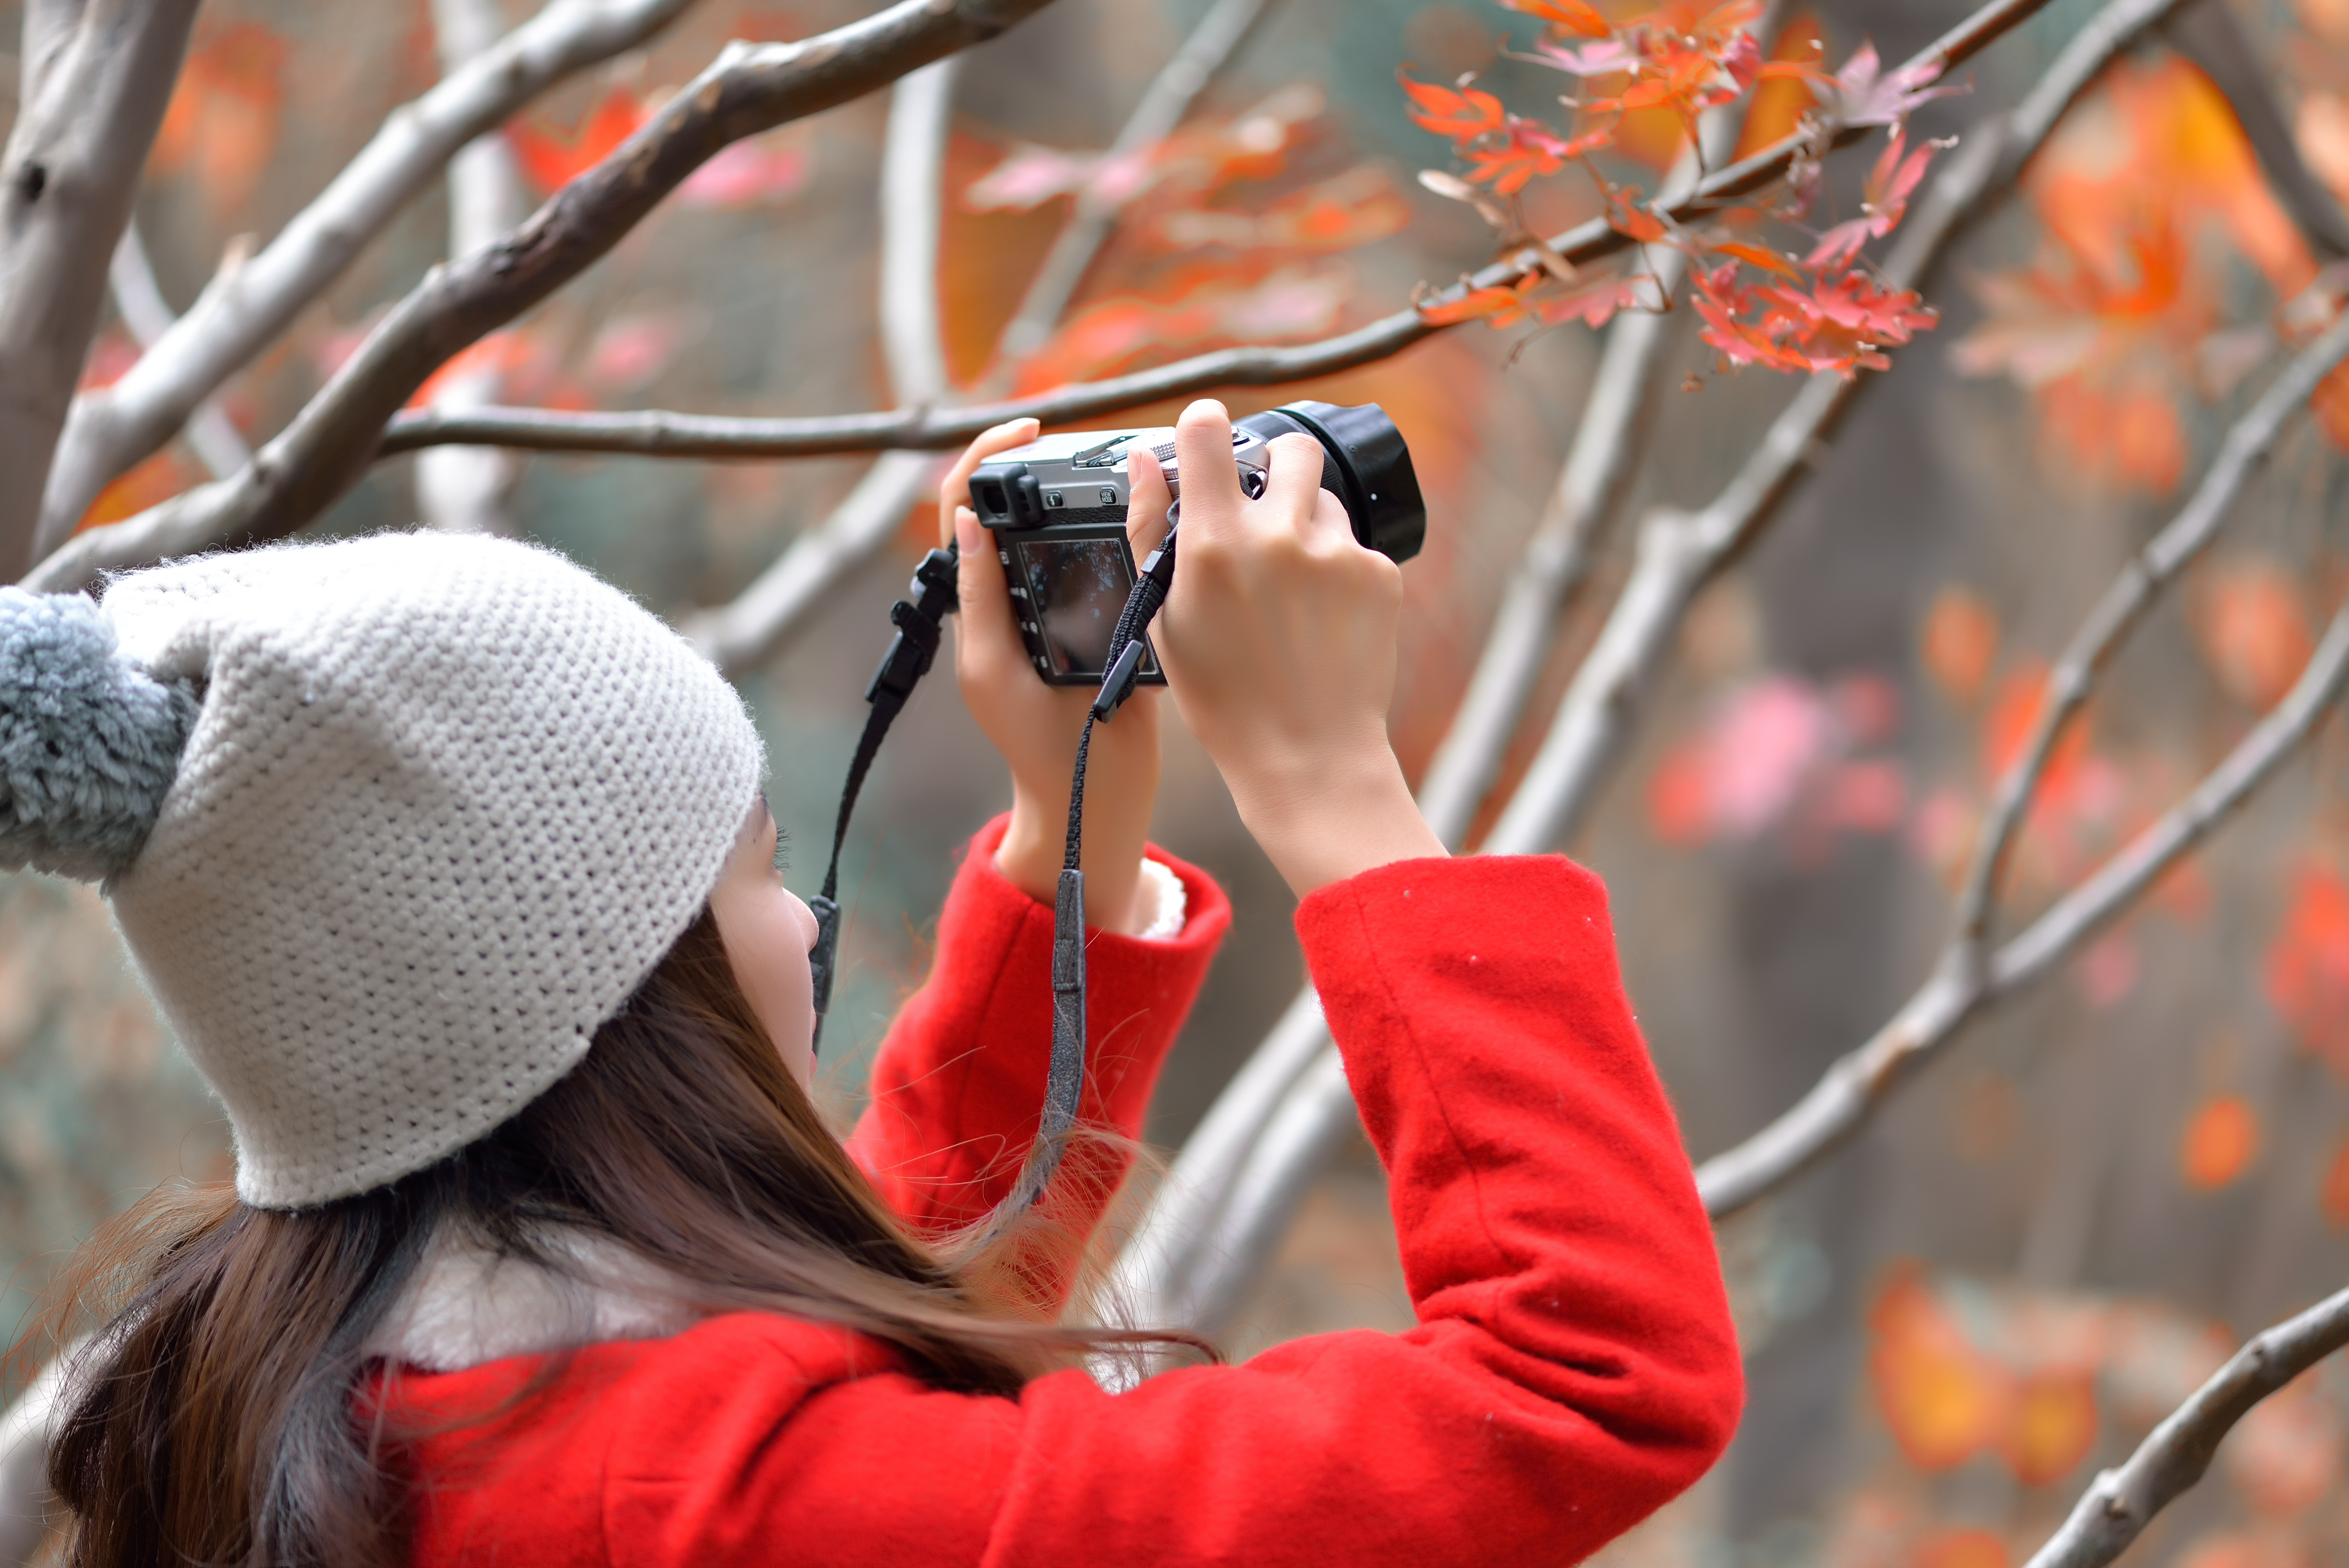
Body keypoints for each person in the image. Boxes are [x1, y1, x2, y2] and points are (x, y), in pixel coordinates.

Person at [0, 400, 1741, 1568]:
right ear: (611, 1000)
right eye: (754, 869)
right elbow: (1583, 1375)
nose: (802, 924)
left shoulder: (292, 1408)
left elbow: (812, 1388)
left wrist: (1074, 837)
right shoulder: (750, 1510)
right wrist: (1339, 799)